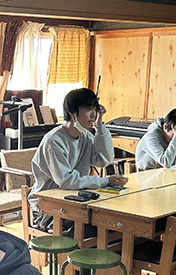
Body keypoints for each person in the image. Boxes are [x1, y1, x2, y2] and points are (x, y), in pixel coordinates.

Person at [29, 87, 127, 233]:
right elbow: (66, 180)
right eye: (88, 109)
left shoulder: (85, 136)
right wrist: (105, 181)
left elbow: (104, 159)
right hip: (47, 208)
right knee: (102, 227)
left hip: (75, 201)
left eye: (94, 109)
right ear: (72, 113)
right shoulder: (53, 141)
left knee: (113, 223)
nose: (93, 115)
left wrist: (100, 126)